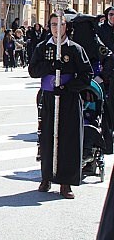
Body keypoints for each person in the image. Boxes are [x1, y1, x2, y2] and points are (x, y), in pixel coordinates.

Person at [28, 12, 92, 199]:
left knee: (69, 138)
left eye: (60, 24)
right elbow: (33, 70)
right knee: (47, 136)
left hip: (69, 98)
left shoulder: (75, 49)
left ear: (66, 26)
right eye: (53, 24)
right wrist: (49, 67)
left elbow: (86, 74)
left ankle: (66, 182)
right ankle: (46, 177)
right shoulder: (42, 47)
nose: (57, 28)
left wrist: (67, 87)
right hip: (48, 97)